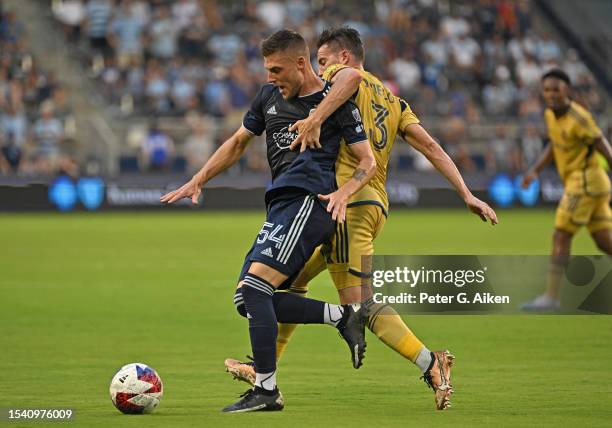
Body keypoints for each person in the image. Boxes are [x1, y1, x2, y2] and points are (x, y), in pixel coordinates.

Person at [225, 26, 498, 411]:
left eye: (323, 61)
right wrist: (465, 193)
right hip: (369, 204)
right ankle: (264, 369)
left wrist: (317, 116)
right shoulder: (396, 103)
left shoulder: (341, 78)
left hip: (346, 203)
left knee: (358, 307)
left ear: (343, 57)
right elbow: (431, 146)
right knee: (289, 281)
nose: (320, 70)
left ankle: (429, 361)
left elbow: (349, 80)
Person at [161, 29, 377, 413]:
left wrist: (344, 193)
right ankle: (343, 317)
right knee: (246, 298)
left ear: (300, 62)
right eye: (266, 70)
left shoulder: (336, 99)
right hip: (280, 206)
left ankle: (267, 389)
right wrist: (198, 179)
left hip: (310, 201)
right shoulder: (267, 97)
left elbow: (367, 161)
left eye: (276, 69)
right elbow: (237, 142)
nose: (270, 77)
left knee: (257, 287)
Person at [521, 69, 612, 311]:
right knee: (605, 241)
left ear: (567, 90)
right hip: (592, 184)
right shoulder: (551, 114)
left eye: (556, 90)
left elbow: (602, 144)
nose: (551, 94)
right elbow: (554, 144)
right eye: (547, 90)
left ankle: (550, 297)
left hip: (585, 182)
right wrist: (534, 171)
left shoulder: (579, 117)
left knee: (561, 234)